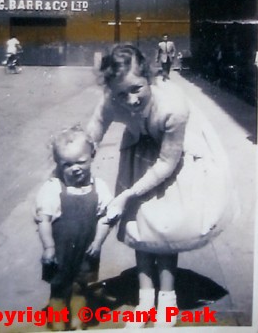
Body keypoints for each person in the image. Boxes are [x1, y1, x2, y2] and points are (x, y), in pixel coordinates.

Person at [86, 44, 238, 328]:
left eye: (136, 89)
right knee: (139, 222)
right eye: (121, 94)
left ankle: (167, 300)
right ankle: (145, 300)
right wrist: (77, 161)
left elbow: (167, 163)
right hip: (139, 149)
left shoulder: (173, 105)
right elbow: (93, 132)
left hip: (173, 155)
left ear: (150, 77)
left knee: (166, 223)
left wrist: (127, 194)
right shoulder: (110, 100)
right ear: (111, 91)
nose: (130, 100)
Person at [34, 125, 113, 331]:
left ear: (92, 155)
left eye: (80, 162)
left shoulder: (100, 188)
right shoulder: (54, 189)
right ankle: (58, 324)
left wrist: (98, 242)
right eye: (67, 164)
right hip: (60, 253)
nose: (75, 168)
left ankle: (78, 323)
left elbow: (106, 218)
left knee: (80, 288)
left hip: (87, 251)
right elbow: (43, 220)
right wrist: (49, 247)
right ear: (59, 163)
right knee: (58, 290)